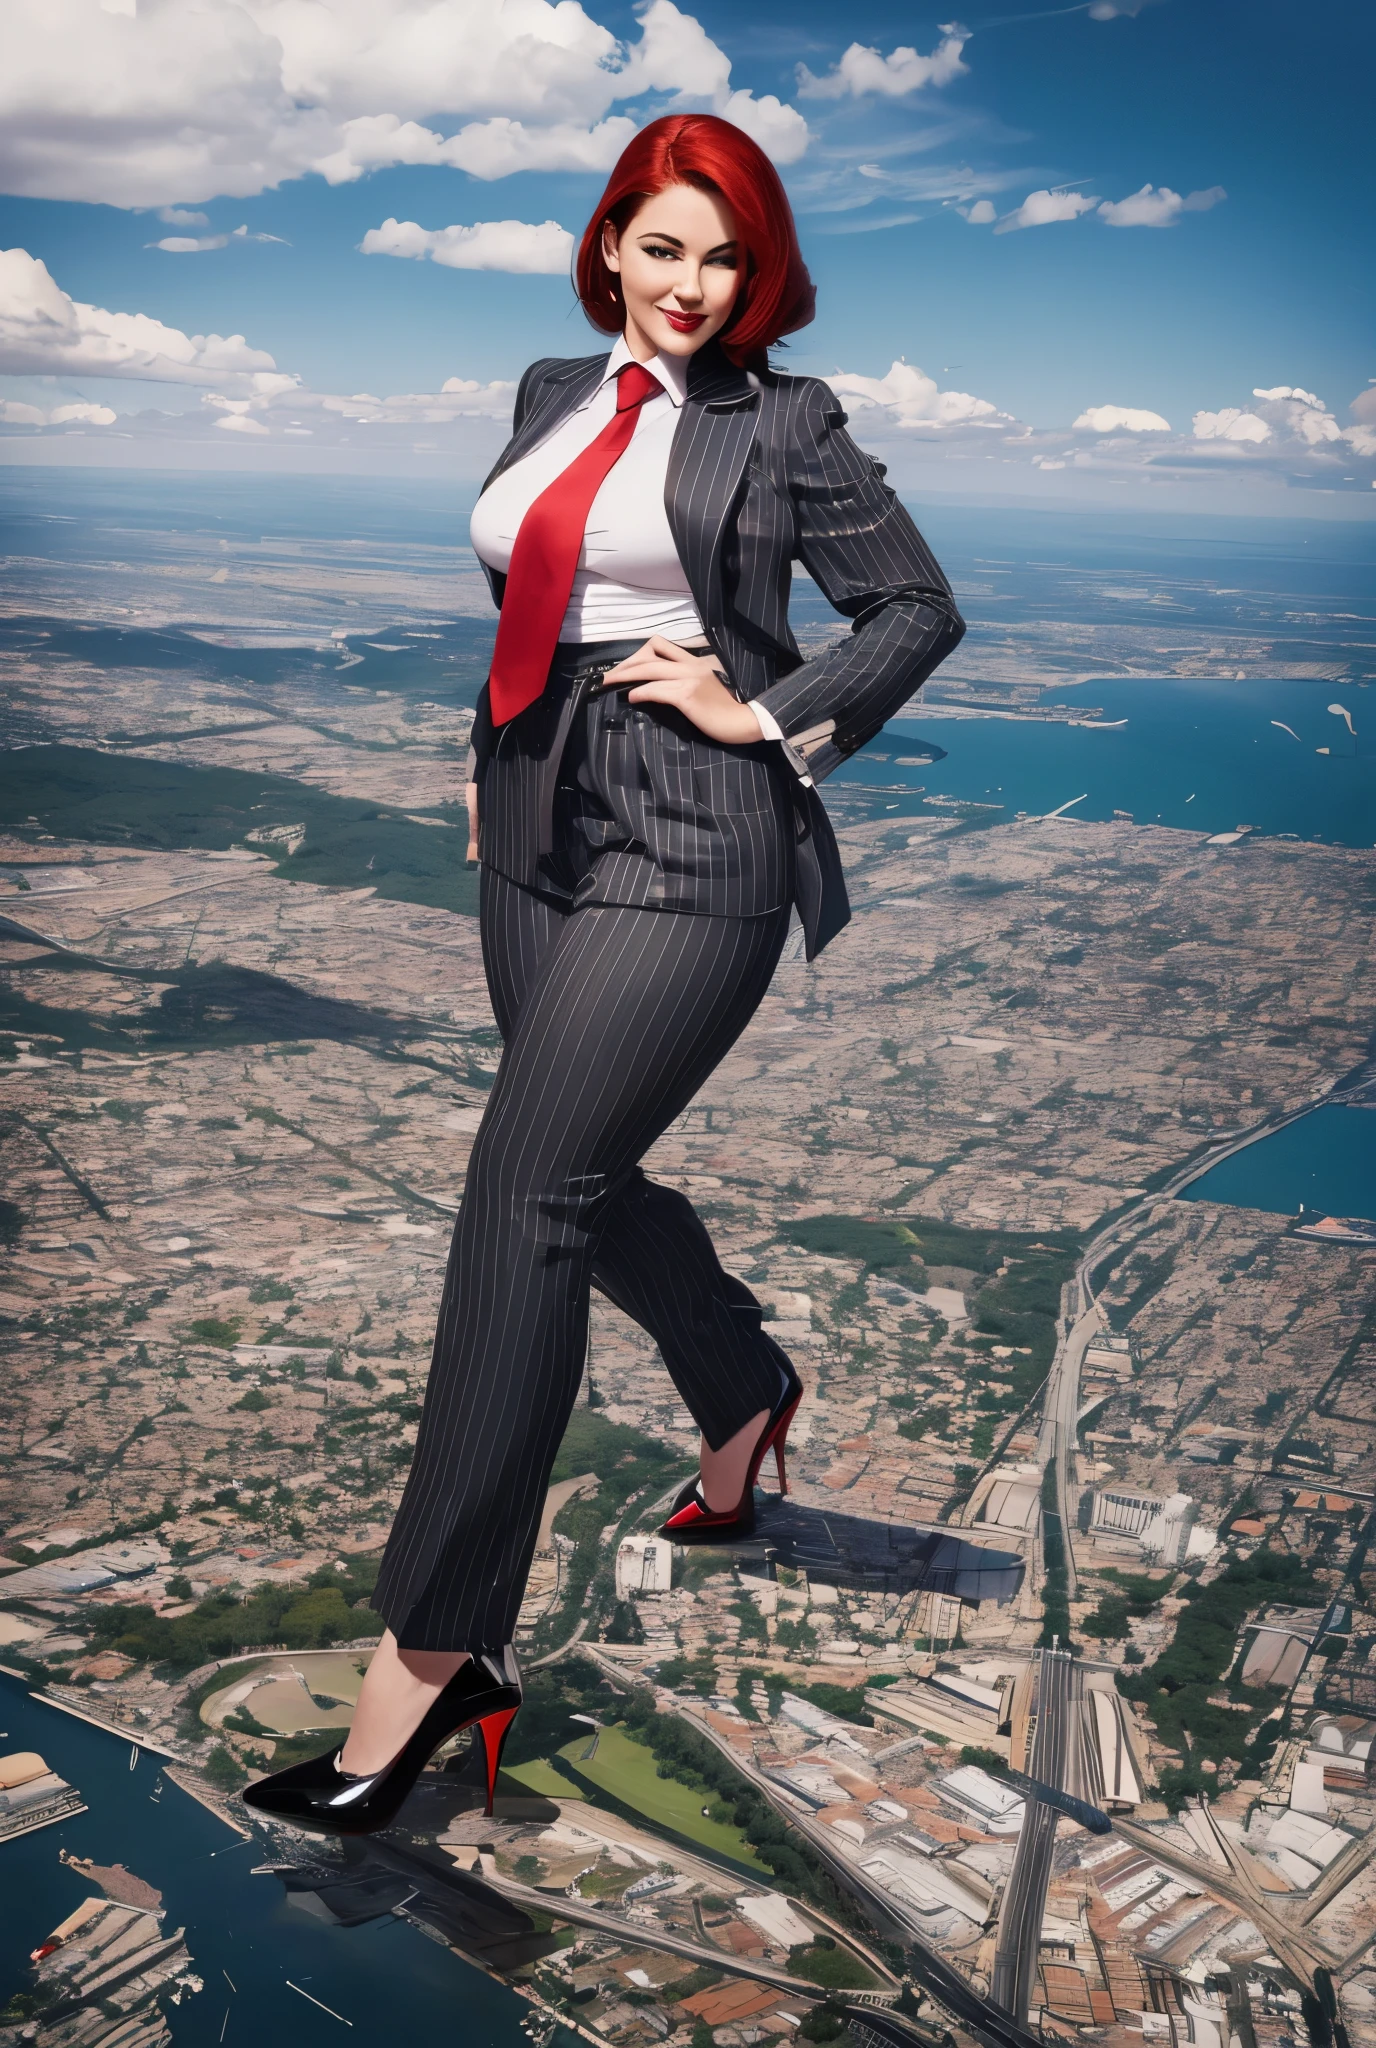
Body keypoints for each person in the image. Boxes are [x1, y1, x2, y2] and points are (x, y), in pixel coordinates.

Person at [244, 112, 964, 1838]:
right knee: (579, 1166)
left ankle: (435, 1663)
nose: (694, 287)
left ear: (761, 270)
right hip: (532, 811)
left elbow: (917, 610)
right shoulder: (548, 384)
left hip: (697, 826)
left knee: (523, 1199)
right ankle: (745, 1389)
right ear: (611, 245)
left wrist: (765, 711)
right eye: (665, 249)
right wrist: (488, 750)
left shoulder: (783, 419)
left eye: (728, 258)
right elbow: (531, 586)